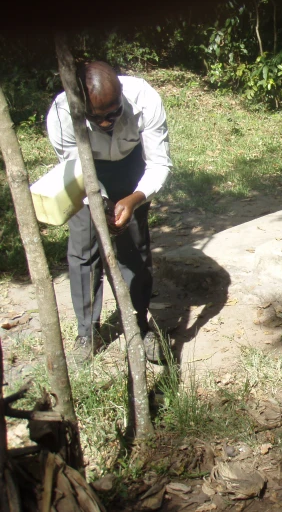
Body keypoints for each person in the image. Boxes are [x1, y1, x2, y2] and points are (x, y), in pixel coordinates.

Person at [47, 61, 172, 363]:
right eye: (97, 118)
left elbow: (159, 163)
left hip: (132, 167)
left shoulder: (144, 97)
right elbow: (75, 167)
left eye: (114, 113)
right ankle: (86, 332)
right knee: (83, 252)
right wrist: (99, 204)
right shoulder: (63, 114)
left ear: (122, 98)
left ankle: (139, 327)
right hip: (86, 171)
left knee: (135, 248)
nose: (106, 123)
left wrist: (134, 199)